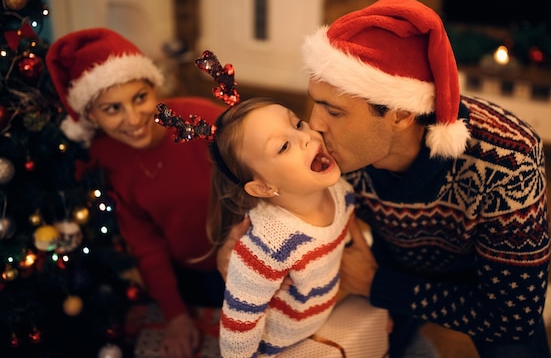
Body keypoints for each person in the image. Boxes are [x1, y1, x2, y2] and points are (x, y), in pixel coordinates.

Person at [299, 0, 551, 358]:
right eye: (315, 102)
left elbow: (513, 317)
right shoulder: (334, 147)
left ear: (400, 116)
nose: (314, 125)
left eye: (334, 112)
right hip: (393, 260)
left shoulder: (510, 160)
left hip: (480, 278)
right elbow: (280, 195)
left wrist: (380, 285)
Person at [46, 28, 226, 358]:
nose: (133, 119)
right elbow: (145, 244)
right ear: (91, 115)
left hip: (253, 262)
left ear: (153, 88)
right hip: (184, 272)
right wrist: (175, 315)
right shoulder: (103, 159)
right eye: (112, 109)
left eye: (140, 97)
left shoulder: (207, 120)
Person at [156, 94, 354, 358]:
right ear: (263, 187)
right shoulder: (266, 247)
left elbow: (343, 247)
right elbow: (238, 331)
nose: (306, 136)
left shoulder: (343, 192)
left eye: (297, 124)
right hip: (277, 347)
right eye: (283, 147)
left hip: (323, 324)